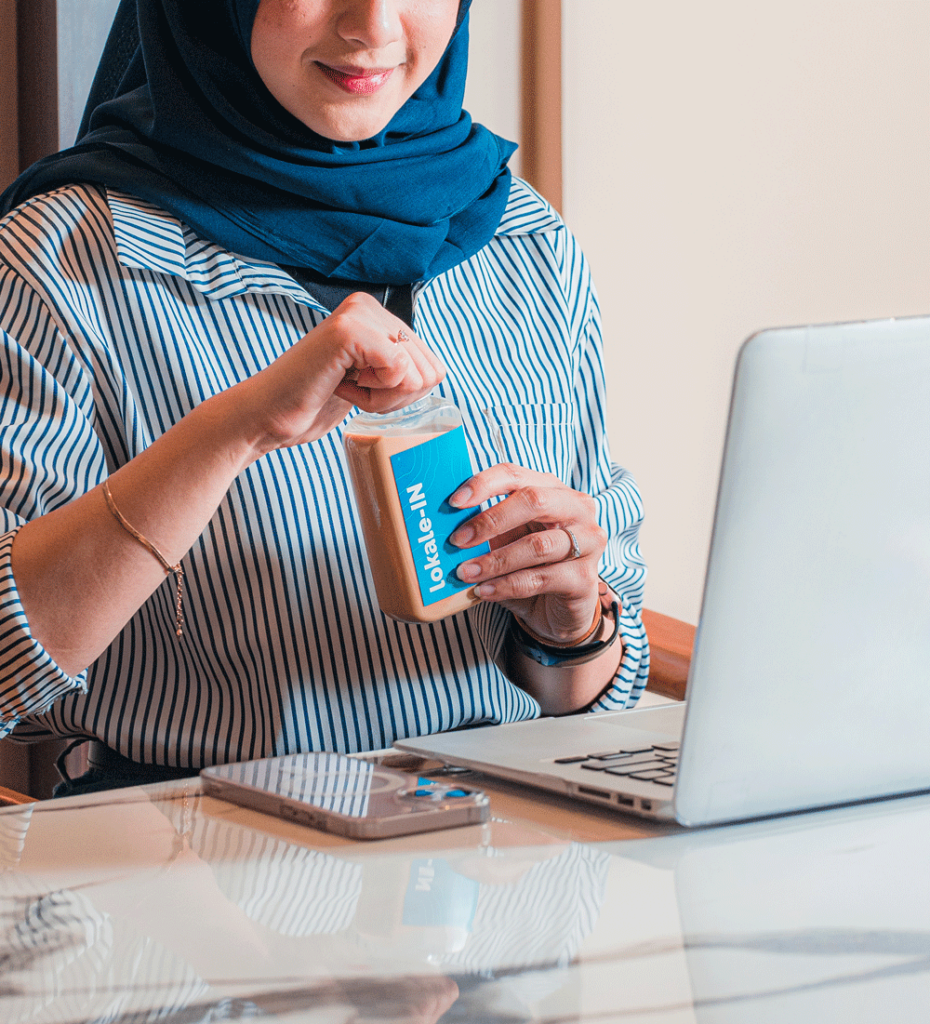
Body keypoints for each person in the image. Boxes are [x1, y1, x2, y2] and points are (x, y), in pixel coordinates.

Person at [0, 0, 648, 795]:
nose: (372, 26)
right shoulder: (67, 258)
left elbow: (590, 684)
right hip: (197, 862)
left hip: (512, 852)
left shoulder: (524, 240)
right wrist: (233, 431)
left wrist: (571, 625)